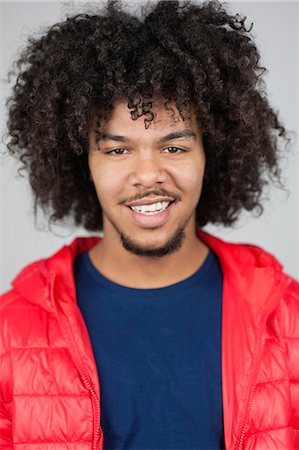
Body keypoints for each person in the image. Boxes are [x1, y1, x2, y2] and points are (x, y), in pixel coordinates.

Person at [1, 0, 298, 449]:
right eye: (118, 150)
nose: (147, 174)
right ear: (83, 163)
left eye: (174, 147)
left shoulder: (288, 318)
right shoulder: (11, 329)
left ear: (211, 155)